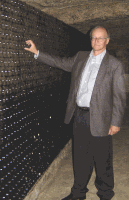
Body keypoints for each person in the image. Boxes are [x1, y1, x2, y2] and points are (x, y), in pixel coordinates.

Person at [24, 26, 126, 200]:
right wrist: (37, 52)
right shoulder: (80, 57)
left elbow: (119, 95)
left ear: (107, 41)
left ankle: (105, 193)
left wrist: (116, 122)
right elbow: (60, 62)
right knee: (80, 157)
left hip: (101, 118)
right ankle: (78, 193)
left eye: (101, 38)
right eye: (94, 38)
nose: (97, 41)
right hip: (79, 115)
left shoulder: (114, 65)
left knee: (102, 160)